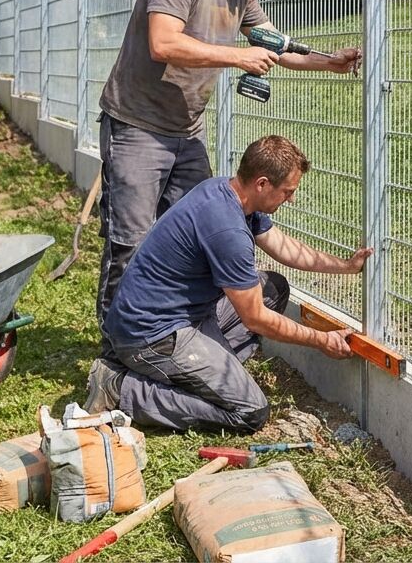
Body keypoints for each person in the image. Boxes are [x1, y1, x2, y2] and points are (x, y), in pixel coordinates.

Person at [94, 0, 361, 359]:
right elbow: (163, 42)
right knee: (131, 242)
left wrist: (330, 63)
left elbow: (273, 44)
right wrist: (237, 55)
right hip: (137, 126)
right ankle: (119, 347)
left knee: (212, 226)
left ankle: (183, 339)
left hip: (186, 131)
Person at [84, 135, 372, 433]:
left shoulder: (227, 192)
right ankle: (119, 387)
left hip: (179, 317)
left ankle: (200, 374)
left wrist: (346, 266)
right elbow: (256, 319)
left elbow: (282, 246)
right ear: (262, 184)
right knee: (250, 411)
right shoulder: (226, 230)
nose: (292, 199)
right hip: (150, 336)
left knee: (273, 288)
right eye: (288, 192)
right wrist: (321, 340)